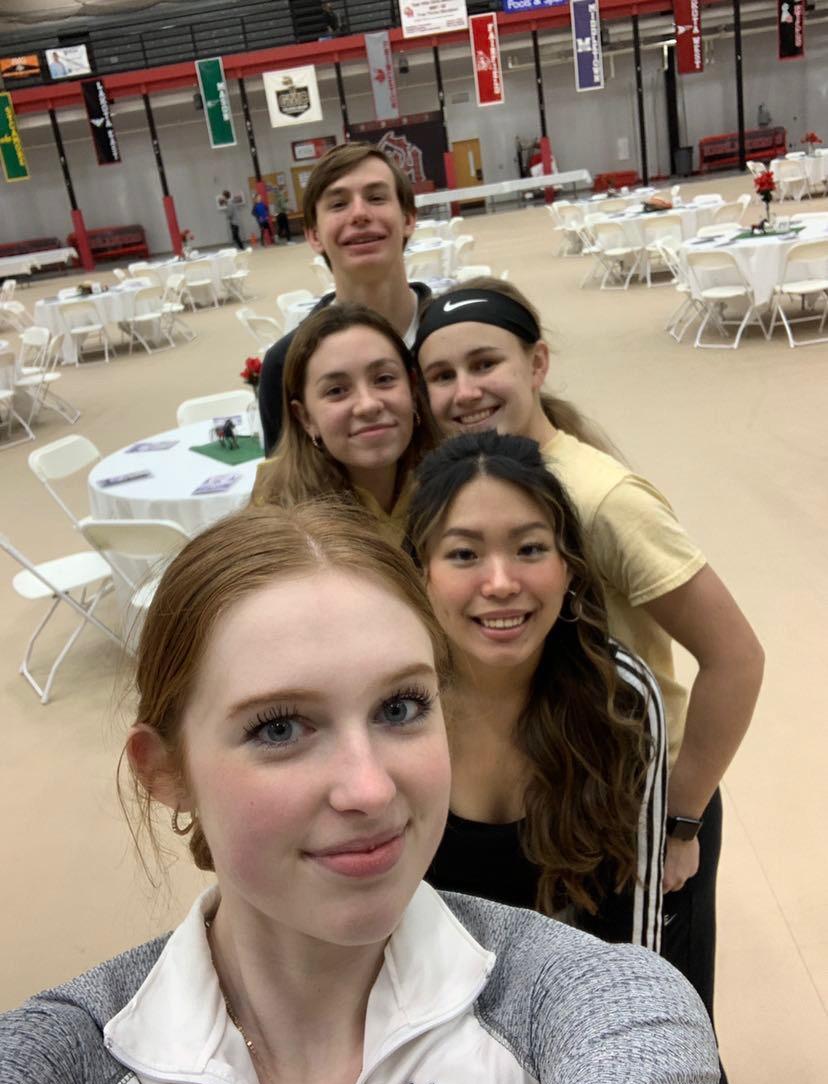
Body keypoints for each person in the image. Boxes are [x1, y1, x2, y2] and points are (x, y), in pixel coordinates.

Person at [0, 502, 720, 1084]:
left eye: (400, 707)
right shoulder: (68, 1061)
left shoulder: (585, 1005)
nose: (370, 789)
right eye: (280, 728)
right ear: (165, 771)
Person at [414, 277, 765, 1084]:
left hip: (633, 785)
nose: (464, 391)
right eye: (441, 374)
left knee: (656, 1004)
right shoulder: (474, 480)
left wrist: (681, 818)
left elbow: (736, 657)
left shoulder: (600, 497)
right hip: (540, 767)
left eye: (485, 363)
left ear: (537, 363)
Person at [408, 431, 667, 950]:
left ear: (567, 566)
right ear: (421, 573)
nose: (501, 583)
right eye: (464, 554)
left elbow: (633, 935)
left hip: (570, 987)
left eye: (529, 549)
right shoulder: (389, 705)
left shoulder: (620, 698)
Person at [258, 142, 430, 454]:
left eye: (376, 198)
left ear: (408, 219)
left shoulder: (457, 336)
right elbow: (284, 481)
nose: (360, 214)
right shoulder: (285, 365)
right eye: (338, 204)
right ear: (314, 235)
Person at [252, 303, 438, 544]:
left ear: (412, 390)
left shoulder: (454, 485)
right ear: (305, 418)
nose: (368, 405)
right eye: (336, 391)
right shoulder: (275, 526)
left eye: (384, 379)